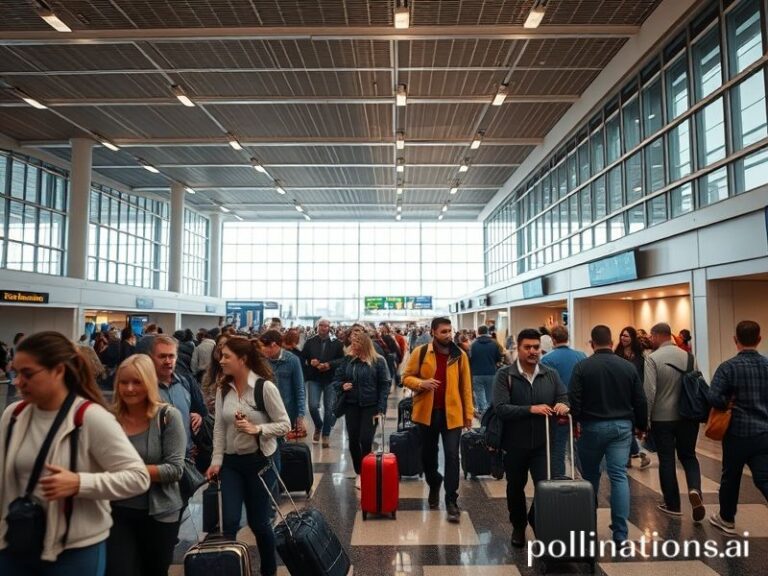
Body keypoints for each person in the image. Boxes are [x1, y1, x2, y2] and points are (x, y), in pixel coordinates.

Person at [0, 331, 150, 574]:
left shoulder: (90, 418)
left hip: (74, 552)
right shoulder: (13, 415)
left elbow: (138, 477)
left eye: (27, 374)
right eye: (16, 373)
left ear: (58, 371)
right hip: (15, 542)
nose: (17, 382)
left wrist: (80, 483)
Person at [205, 336, 290, 576]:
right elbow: (220, 427)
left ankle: (268, 570)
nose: (220, 360)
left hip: (260, 462)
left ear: (242, 360)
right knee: (229, 522)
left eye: (226, 356)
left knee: (259, 522)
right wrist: (216, 461)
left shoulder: (265, 388)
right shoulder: (224, 389)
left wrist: (258, 429)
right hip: (232, 463)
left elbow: (285, 424)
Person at [106, 354, 185, 576]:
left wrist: (127, 471)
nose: (129, 389)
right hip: (117, 511)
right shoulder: (109, 418)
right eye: (124, 382)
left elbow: (174, 469)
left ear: (149, 383)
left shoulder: (168, 417)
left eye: (137, 382)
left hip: (160, 515)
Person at [569, 325, 648, 545]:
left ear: (592, 343)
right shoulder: (627, 367)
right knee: (619, 476)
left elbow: (574, 400)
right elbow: (640, 400)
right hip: (622, 428)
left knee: (591, 477)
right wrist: (641, 426)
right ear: (611, 340)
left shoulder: (582, 367)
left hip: (591, 427)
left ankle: (589, 527)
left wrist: (575, 422)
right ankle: (621, 533)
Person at [493, 328, 569, 548]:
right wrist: (530, 409)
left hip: (543, 444)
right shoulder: (505, 375)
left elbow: (563, 396)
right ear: (518, 348)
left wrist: (564, 405)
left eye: (536, 347)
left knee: (544, 486)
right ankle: (518, 526)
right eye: (528, 347)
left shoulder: (550, 374)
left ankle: (535, 519)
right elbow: (500, 408)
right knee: (515, 487)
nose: (533, 351)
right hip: (514, 444)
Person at [403, 317, 473, 523]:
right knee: (428, 455)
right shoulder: (421, 352)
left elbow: (466, 387)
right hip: (427, 413)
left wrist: (468, 414)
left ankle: (451, 500)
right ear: (433, 332)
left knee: (452, 456)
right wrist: (421, 383)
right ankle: (434, 482)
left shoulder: (458, 355)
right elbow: (406, 377)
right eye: (443, 331)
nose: (448, 335)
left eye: (450, 331)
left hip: (453, 414)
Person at [708, 320, 768, 534]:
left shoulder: (728, 367)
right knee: (763, 477)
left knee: (730, 476)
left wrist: (727, 403)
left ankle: (727, 518)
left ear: (736, 340)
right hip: (763, 432)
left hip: (736, 432)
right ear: (759, 339)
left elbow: (713, 396)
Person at [644, 322, 704, 522]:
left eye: (651, 337)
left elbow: (650, 392)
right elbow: (697, 383)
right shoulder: (689, 357)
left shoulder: (652, 358)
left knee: (667, 459)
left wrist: (646, 421)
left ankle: (673, 504)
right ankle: (695, 490)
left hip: (662, 419)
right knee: (689, 456)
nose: (650, 340)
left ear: (657, 335)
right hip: (688, 417)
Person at [333, 332, 390, 489]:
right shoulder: (348, 361)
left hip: (371, 406)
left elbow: (385, 385)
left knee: (365, 439)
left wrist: (381, 408)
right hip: (351, 405)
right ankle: (359, 472)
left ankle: (365, 472)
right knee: (353, 441)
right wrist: (342, 385)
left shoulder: (378, 361)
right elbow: (336, 380)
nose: (351, 346)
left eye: (355, 343)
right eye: (351, 342)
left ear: (363, 344)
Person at [148, 336, 207, 457]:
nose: (168, 361)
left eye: (171, 356)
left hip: (187, 456)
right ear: (151, 358)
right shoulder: (144, 387)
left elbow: (201, 411)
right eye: (162, 356)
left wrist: (198, 416)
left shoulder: (186, 382)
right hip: (158, 460)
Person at [540, 325, 586, 477]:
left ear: (553, 339)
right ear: (568, 337)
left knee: (558, 448)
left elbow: (546, 387)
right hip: (580, 410)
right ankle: (587, 476)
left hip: (559, 411)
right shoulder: (581, 355)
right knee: (580, 447)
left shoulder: (547, 359)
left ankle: (558, 479)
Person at [301, 319, 345, 448]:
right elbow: (304, 357)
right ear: (317, 327)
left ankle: (326, 433)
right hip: (315, 378)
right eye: (321, 325)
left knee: (329, 408)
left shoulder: (336, 343)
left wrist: (329, 365)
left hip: (330, 379)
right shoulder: (310, 342)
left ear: (329, 328)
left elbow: (342, 359)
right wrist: (311, 362)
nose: (323, 328)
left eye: (326, 326)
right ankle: (319, 425)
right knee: (313, 406)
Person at [614, 326, 651, 469]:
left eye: (627, 336)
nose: (623, 338)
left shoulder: (640, 356)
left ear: (633, 338)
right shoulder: (617, 354)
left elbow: (642, 376)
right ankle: (633, 456)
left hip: (635, 395)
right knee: (627, 428)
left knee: (629, 427)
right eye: (622, 335)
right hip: (620, 395)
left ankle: (638, 454)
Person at [259, 330, 306, 431]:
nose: (262, 350)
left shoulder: (293, 360)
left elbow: (300, 388)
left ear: (273, 345)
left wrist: (301, 414)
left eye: (264, 346)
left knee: (285, 444)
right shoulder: (262, 361)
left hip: (287, 411)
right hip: (266, 410)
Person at [469, 325, 502, 417]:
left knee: (479, 394)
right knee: (490, 394)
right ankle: (490, 414)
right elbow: (499, 358)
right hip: (491, 372)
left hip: (476, 373)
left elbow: (470, 359)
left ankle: (483, 414)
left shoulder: (473, 345)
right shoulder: (494, 344)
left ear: (478, 333)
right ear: (488, 332)